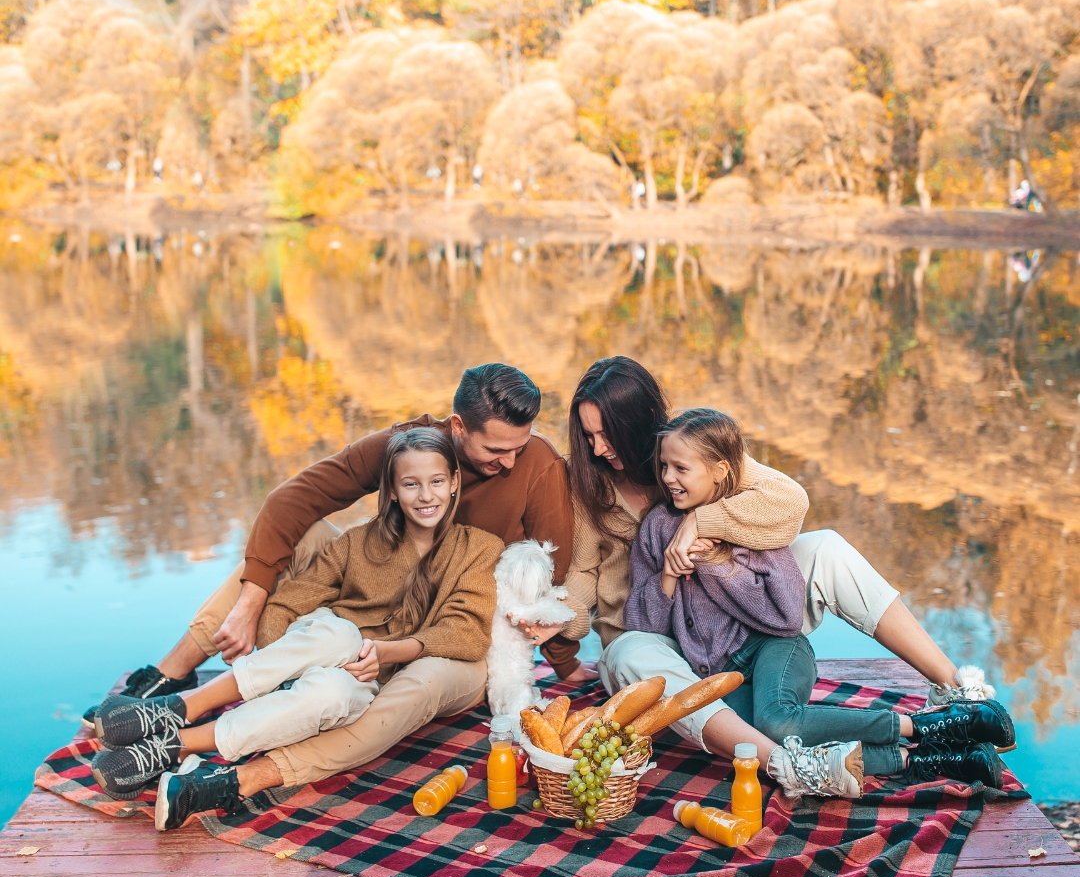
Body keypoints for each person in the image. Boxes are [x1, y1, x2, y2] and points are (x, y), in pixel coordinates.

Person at [518, 356, 1000, 796]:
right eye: (587, 435)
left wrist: (702, 523)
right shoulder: (587, 482)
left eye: (607, 435)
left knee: (827, 547)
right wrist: (557, 614)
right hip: (655, 632)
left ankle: (954, 690)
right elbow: (581, 573)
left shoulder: (697, 445)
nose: (598, 449)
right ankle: (791, 767)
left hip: (748, 615)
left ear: (642, 428)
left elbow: (790, 501)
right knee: (627, 654)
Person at [89, 362, 589, 723]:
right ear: (458, 426)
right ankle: (170, 676)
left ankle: (286, 699)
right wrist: (251, 600)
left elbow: (551, 575)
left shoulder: (538, 465)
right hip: (384, 595)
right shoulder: (410, 446)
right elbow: (292, 500)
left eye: (518, 447)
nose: (509, 461)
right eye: (496, 449)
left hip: (455, 620)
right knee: (302, 535)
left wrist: (564, 665)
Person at [90, 428, 504, 829]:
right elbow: (293, 598)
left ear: (454, 482)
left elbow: (466, 631)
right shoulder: (359, 542)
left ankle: (173, 742)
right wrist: (280, 663)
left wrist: (388, 653)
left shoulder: (479, 549)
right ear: (393, 491)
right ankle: (183, 706)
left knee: (333, 693)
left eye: (435, 481)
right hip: (321, 645)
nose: (425, 495)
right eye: (411, 484)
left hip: (367, 675)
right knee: (340, 633)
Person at [624, 408, 1013, 792]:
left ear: (720, 470)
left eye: (681, 468)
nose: (668, 478)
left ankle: (922, 725)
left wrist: (717, 564)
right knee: (758, 743)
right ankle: (927, 758)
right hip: (719, 675)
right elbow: (645, 627)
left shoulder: (755, 520)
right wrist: (668, 576)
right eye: (664, 466)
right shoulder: (658, 526)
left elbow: (786, 618)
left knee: (778, 722)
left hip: (774, 648)